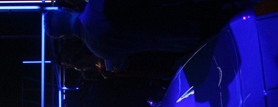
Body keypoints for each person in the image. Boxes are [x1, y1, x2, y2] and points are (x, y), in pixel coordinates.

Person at [44, 0, 236, 71]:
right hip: (186, 11)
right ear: (65, 10)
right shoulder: (96, 7)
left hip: (183, 41)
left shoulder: (98, 49)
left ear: (65, 36)